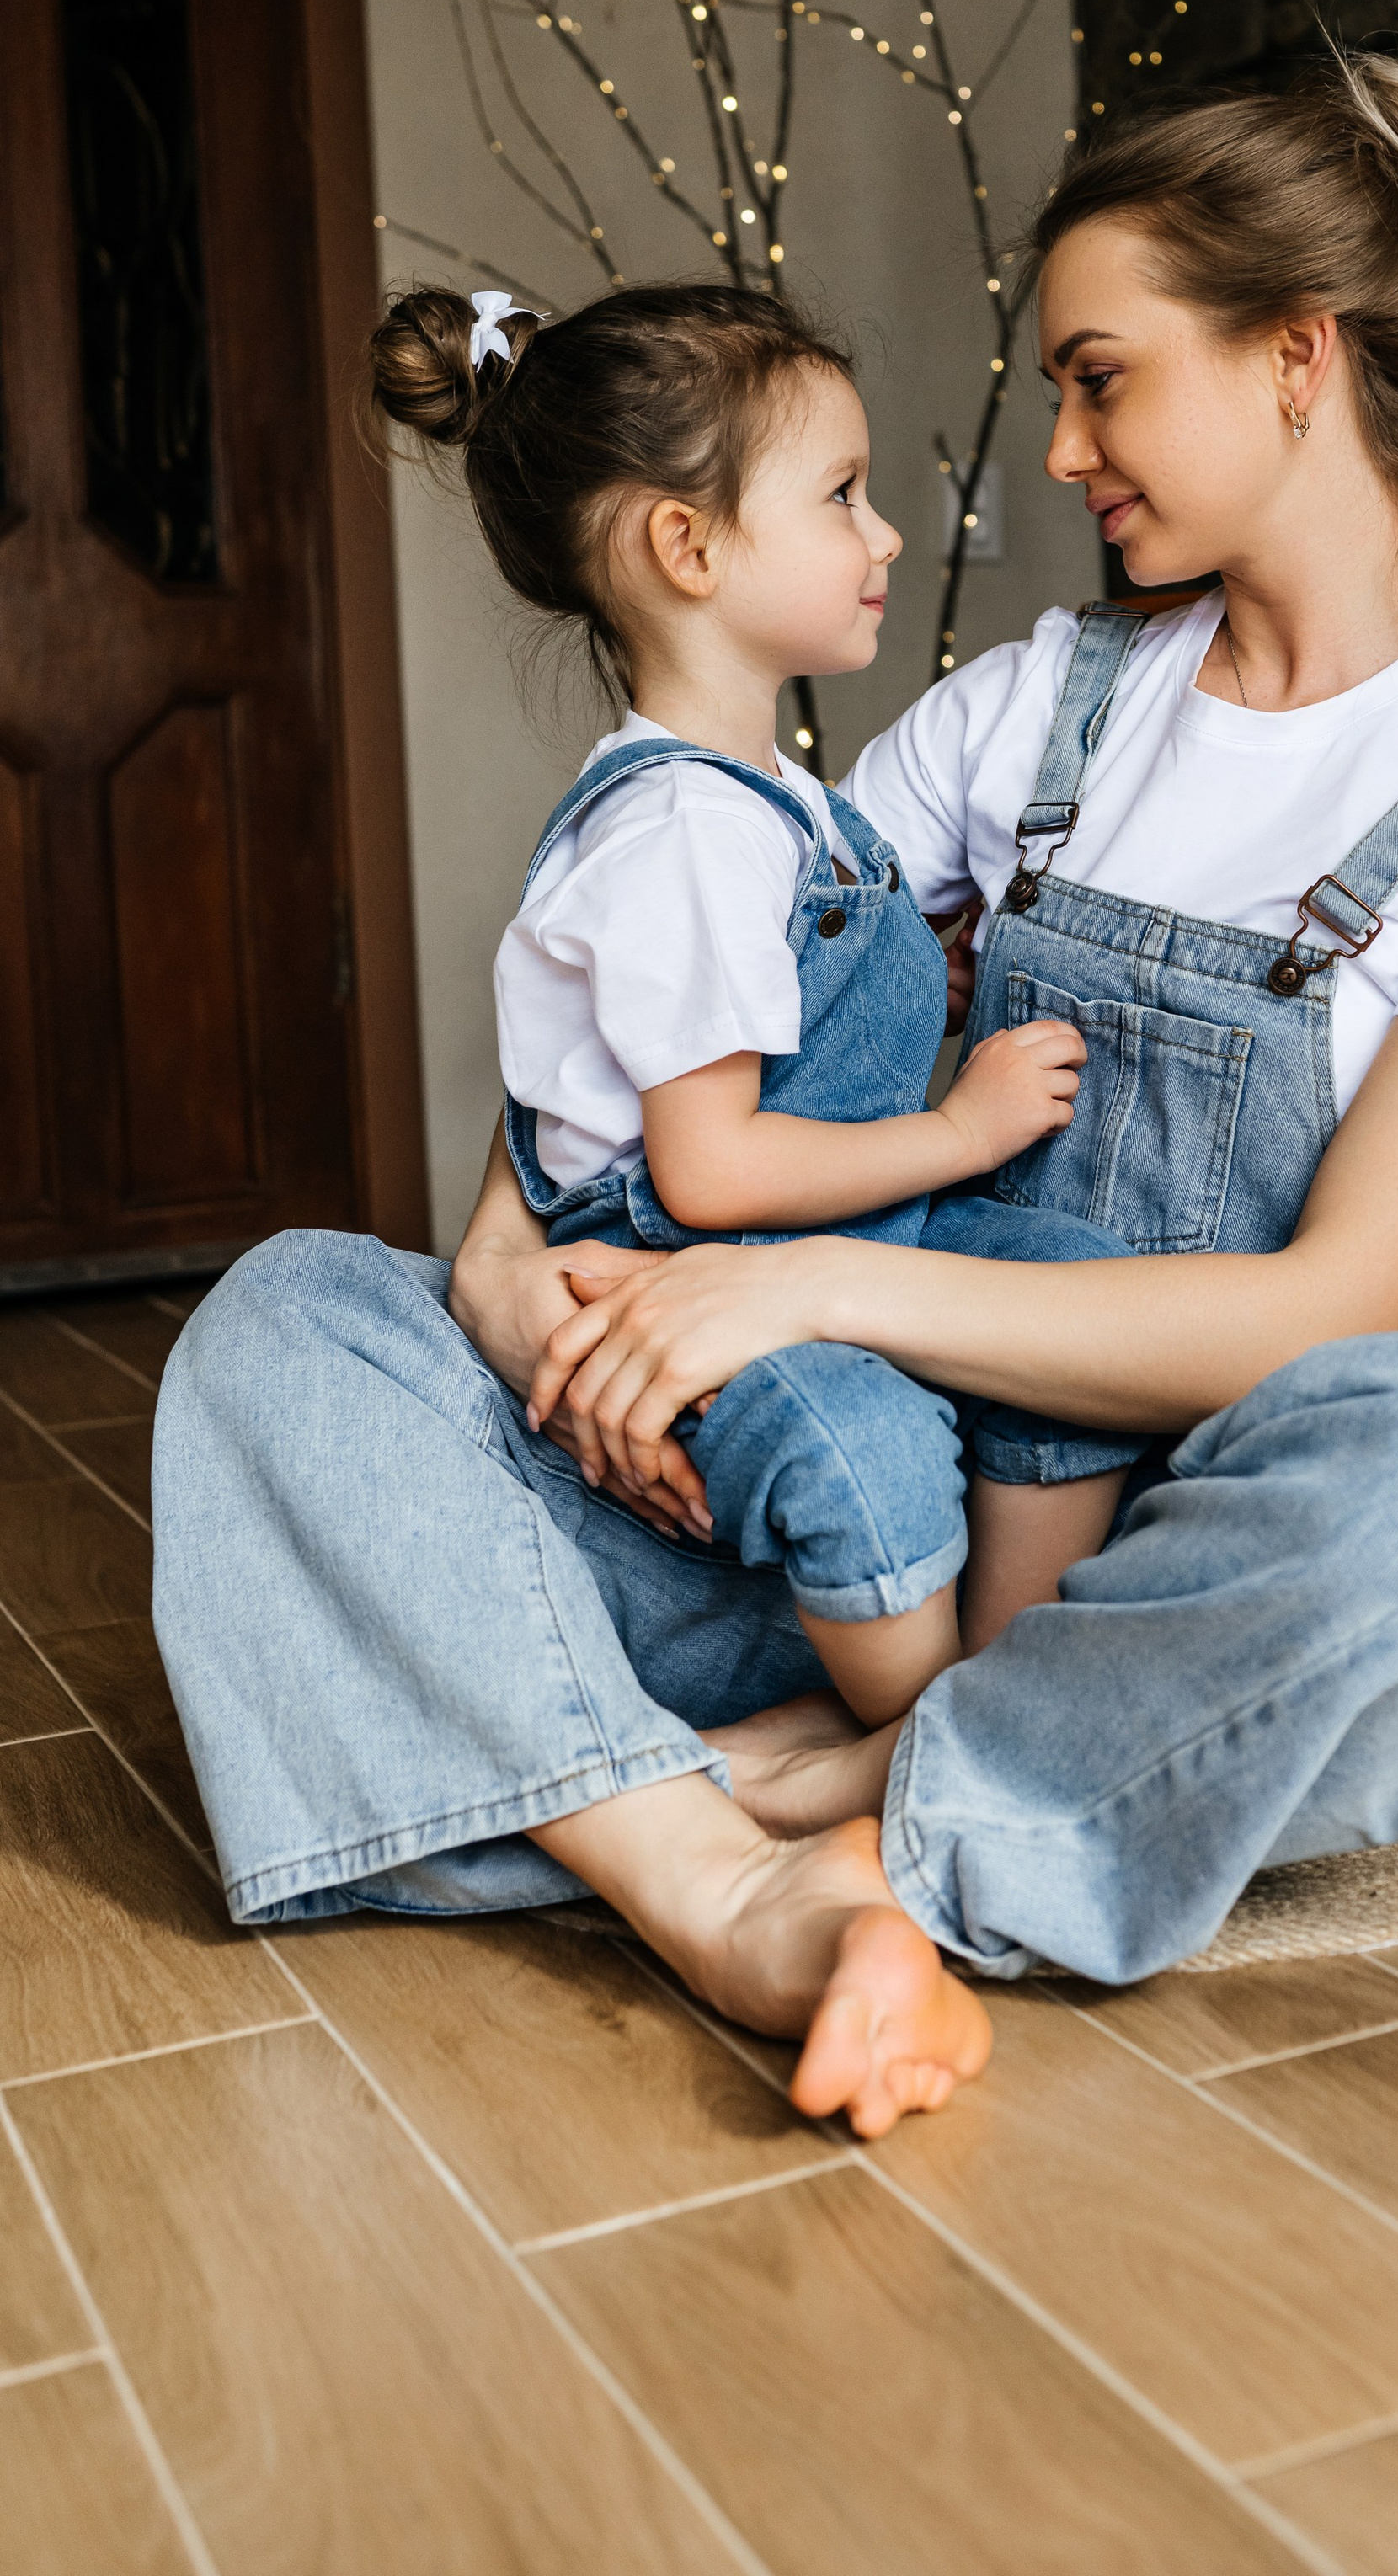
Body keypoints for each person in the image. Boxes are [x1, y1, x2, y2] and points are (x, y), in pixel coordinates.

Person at [152, 48, 1398, 2142]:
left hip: (1160, 1570)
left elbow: (1341, 1307)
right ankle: (758, 1869)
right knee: (288, 1329)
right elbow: (682, 972)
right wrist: (519, 1291)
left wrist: (814, 1285)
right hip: (796, 1514)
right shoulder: (1047, 701)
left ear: (1294, 358)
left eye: (1099, 378)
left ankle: (748, 1809)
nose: (1057, 450)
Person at [373, 279, 1142, 1730]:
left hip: (828, 1234)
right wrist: (964, 1127)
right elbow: (709, 1165)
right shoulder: (677, 831)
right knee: (856, 1455)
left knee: (1072, 1292)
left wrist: (911, 983)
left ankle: (1009, 1668)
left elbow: (788, 1015)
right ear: (690, 544)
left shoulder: (777, 802)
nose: (886, 535)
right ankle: (922, 1746)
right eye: (842, 496)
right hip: (685, 1257)